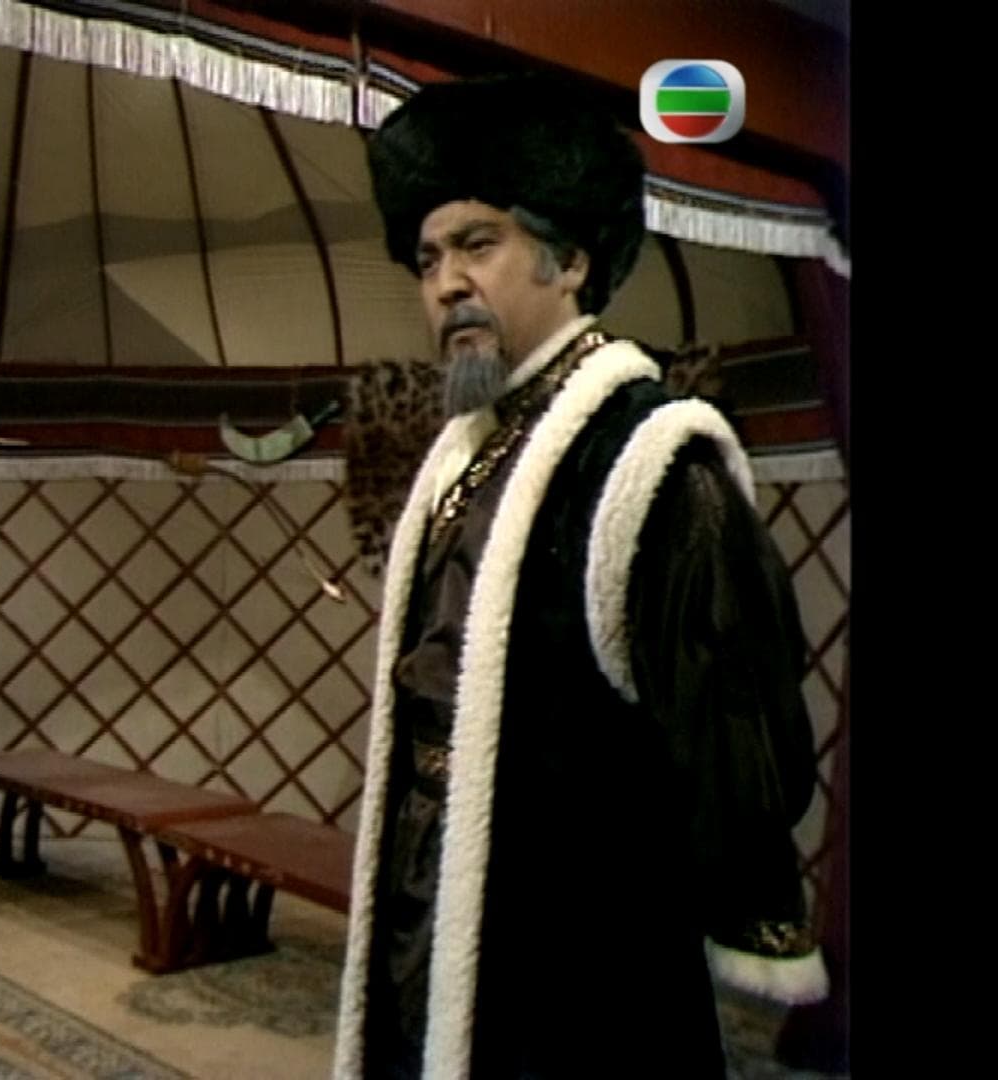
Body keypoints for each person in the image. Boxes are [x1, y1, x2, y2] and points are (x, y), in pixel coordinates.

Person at [332, 77, 828, 1078]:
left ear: (570, 260)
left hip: (575, 946)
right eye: (428, 259)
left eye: (478, 244)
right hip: (428, 889)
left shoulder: (652, 457)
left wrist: (745, 899)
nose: (446, 283)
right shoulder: (463, 453)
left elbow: (737, 710)